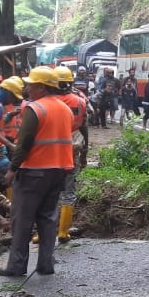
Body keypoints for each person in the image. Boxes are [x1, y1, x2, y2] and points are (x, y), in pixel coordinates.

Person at [0, 66, 74, 277]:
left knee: (22, 219)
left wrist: (12, 170)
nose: (28, 88)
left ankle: (16, 266)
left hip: (33, 171)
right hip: (59, 170)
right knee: (48, 218)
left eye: (31, 84)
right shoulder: (65, 109)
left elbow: (24, 144)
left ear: (41, 87)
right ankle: (45, 264)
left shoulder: (35, 109)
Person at [53, 64, 88, 242]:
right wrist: (84, 154)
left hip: (48, 155)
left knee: (49, 193)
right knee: (68, 191)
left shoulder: (45, 103)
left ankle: (43, 232)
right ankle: (63, 231)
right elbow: (84, 127)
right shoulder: (79, 101)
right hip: (71, 150)